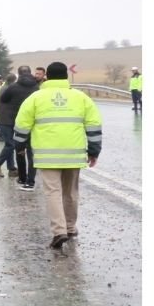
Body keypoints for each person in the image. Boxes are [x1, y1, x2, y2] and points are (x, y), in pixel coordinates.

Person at [13, 62, 102, 248]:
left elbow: (22, 124)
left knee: (53, 192)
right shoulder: (81, 97)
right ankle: (70, 227)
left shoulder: (35, 98)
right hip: (74, 154)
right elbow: (93, 124)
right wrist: (94, 150)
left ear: (47, 77)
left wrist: (19, 145)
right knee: (71, 192)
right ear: (66, 77)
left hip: (47, 156)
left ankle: (59, 231)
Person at [0, 66, 40, 189]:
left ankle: (22, 178)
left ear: (19, 74)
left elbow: (4, 99)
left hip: (19, 122)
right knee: (32, 152)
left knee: (20, 150)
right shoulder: (36, 87)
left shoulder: (14, 87)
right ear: (30, 73)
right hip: (34, 122)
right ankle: (31, 180)